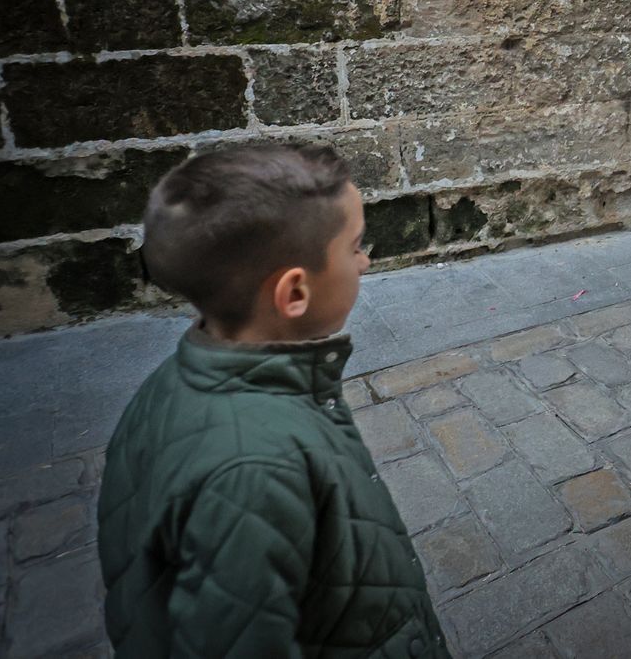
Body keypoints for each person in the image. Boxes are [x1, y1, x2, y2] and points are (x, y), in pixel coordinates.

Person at [97, 145, 448, 656]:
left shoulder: (173, 382)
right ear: (294, 294)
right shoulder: (254, 472)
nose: (365, 260)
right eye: (354, 247)